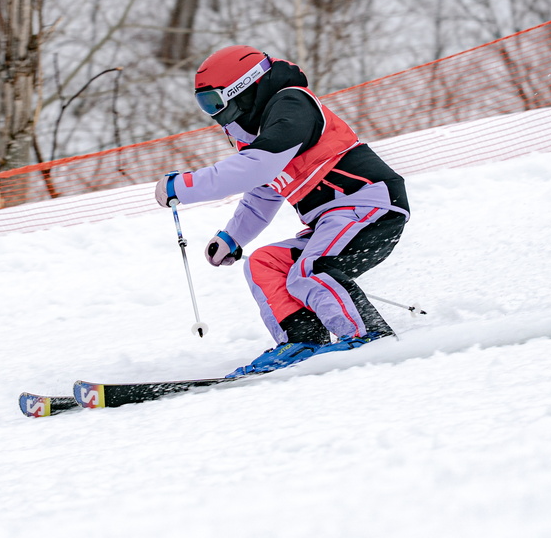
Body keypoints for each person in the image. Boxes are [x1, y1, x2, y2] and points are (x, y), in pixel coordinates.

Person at [154, 45, 410, 376]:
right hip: (331, 220)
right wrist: (233, 236)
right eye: (205, 105)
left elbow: (256, 169)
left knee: (312, 269)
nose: (214, 113)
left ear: (242, 90)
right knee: (265, 264)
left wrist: (183, 185)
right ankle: (304, 341)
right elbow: (263, 192)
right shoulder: (260, 135)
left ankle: (369, 336)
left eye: (215, 102)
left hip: (369, 203)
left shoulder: (292, 105)